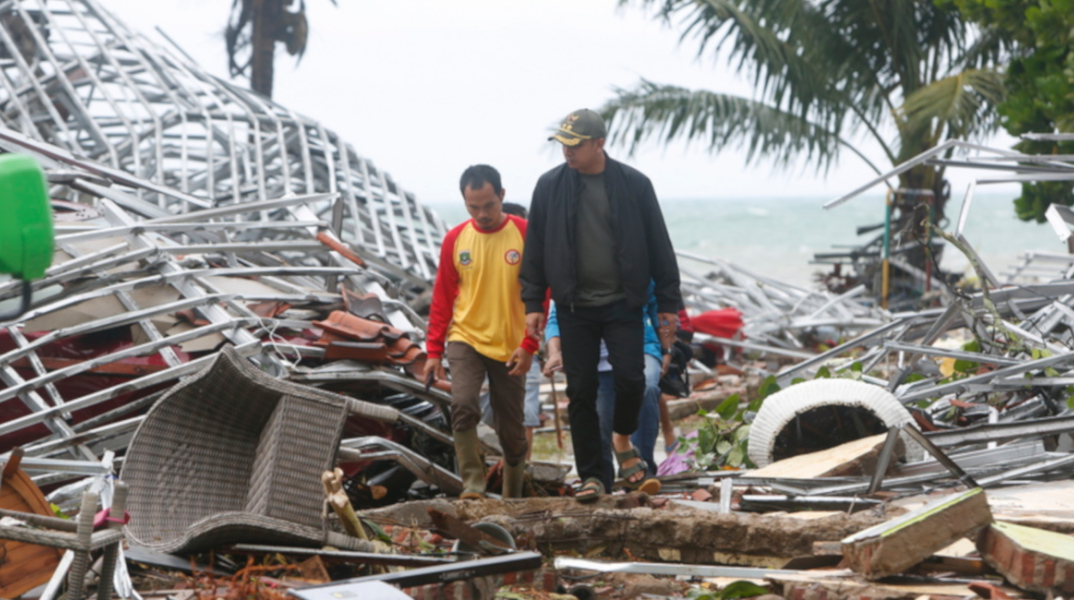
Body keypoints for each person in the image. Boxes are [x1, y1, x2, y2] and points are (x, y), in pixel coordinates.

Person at [520, 108, 682, 503]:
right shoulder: (549, 186)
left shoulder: (634, 185)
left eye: (574, 145)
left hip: (623, 304)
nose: (567, 152)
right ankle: (594, 476)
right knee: (581, 392)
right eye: (562, 144)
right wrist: (533, 302)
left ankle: (621, 439)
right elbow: (536, 248)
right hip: (574, 307)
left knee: (633, 380)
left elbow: (660, 244)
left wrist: (668, 303)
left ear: (599, 143)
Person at [424, 165, 537, 499]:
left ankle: (513, 494)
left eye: (489, 205)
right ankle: (472, 485)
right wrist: (433, 352)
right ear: (464, 202)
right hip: (465, 337)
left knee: (512, 428)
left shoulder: (525, 233)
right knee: (463, 403)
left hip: (510, 344)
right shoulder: (455, 239)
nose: (483, 213)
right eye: (473, 207)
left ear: (502, 196)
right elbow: (442, 298)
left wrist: (530, 344)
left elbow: (540, 293)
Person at [543, 289, 663, 492]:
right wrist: (555, 352)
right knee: (600, 424)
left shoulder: (630, 269)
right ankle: (601, 481)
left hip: (636, 347)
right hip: (594, 360)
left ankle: (642, 468)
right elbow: (555, 318)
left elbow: (656, 304)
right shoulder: (571, 279)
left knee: (647, 388)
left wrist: (666, 347)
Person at [478, 201, 543, 461]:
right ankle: (493, 467)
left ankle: (521, 469)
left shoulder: (534, 268)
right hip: (485, 345)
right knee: (487, 413)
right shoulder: (485, 261)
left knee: (525, 414)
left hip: (525, 346)